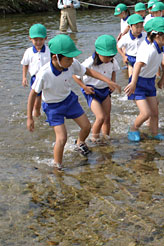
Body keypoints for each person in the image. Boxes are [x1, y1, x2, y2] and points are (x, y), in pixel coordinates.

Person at [27, 35, 121, 169]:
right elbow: (33, 94)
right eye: (68, 58)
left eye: (72, 57)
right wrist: (30, 117)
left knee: (86, 126)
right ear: (55, 58)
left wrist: (109, 81)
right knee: (62, 138)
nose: (72, 61)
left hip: (69, 100)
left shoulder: (72, 63)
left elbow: (88, 71)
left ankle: (80, 143)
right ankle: (57, 166)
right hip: (53, 107)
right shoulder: (44, 74)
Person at [124, 17, 164, 142]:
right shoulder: (150, 50)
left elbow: (159, 64)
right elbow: (137, 65)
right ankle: (133, 128)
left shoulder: (158, 47)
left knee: (154, 112)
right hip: (139, 82)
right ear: (160, 36)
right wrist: (133, 83)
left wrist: (162, 79)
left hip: (149, 82)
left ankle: (154, 133)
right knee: (145, 113)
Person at [73, 35, 120, 145]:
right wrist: (84, 87)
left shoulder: (112, 61)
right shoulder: (89, 62)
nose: (109, 59)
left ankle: (106, 138)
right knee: (100, 117)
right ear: (98, 52)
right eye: (106, 56)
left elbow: (114, 71)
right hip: (92, 91)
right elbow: (75, 76)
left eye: (111, 56)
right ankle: (95, 139)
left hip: (105, 91)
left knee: (107, 117)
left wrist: (112, 82)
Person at [21, 24, 50, 117]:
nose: (38, 42)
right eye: (35, 40)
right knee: (36, 103)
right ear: (30, 39)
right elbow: (25, 64)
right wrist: (24, 77)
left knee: (50, 100)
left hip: (49, 78)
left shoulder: (49, 51)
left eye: (41, 39)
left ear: (45, 38)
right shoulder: (29, 52)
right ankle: (37, 120)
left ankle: (51, 116)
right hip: (35, 79)